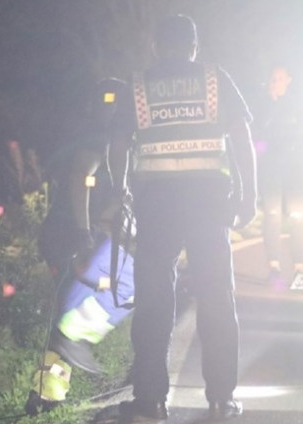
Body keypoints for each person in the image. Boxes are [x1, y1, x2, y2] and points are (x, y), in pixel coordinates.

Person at [107, 15, 257, 422]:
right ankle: (220, 399)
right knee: (216, 298)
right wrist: (249, 195)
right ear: (194, 46)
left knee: (155, 299)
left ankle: (151, 399)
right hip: (208, 204)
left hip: (156, 206)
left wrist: (119, 191)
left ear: (157, 46)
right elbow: (242, 138)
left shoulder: (138, 84)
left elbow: (117, 146)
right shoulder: (215, 78)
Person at [26, 78, 136, 415]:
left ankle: (47, 395)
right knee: (76, 314)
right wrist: (84, 232)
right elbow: (81, 178)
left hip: (67, 235)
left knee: (70, 311)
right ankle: (46, 393)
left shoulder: (99, 134)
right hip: (71, 236)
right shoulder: (100, 138)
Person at [255, 66, 303, 289]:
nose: (275, 82)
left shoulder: (296, 103)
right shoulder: (263, 105)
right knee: (272, 215)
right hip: (272, 169)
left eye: (279, 79)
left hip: (294, 169)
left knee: (297, 216)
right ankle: (273, 267)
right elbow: (257, 134)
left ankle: (299, 268)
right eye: (272, 79)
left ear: (289, 80)